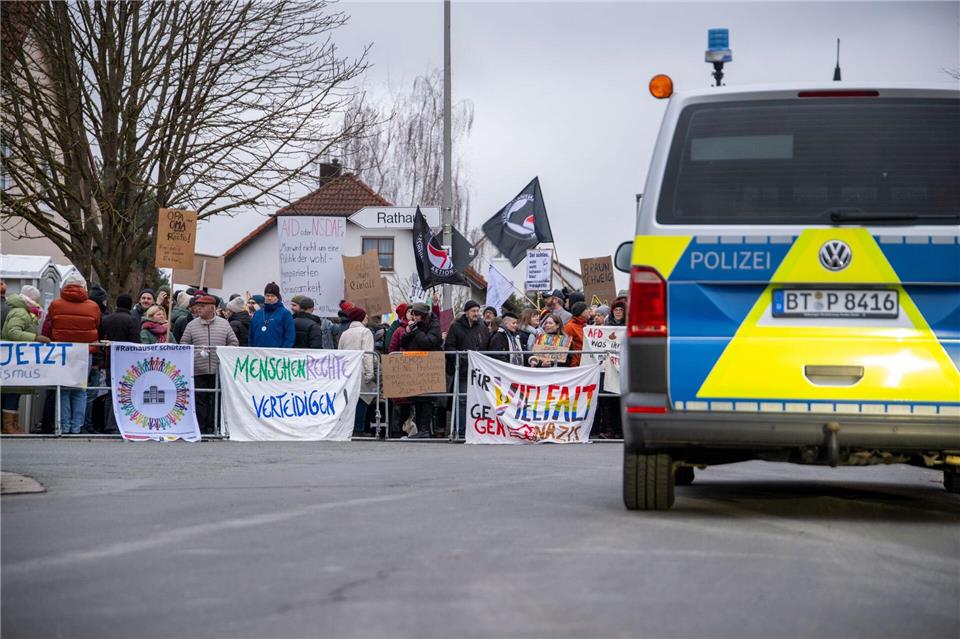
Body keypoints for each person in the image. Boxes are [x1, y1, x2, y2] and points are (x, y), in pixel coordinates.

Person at [43, 273, 101, 434]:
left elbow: (49, 325)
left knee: (63, 390)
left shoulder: (55, 305)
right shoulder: (93, 306)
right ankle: (77, 427)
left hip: (61, 352)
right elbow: (97, 325)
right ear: (84, 287)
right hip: (84, 352)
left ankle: (64, 426)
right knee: (80, 390)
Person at [179, 294, 239, 434]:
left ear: (212, 308)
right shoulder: (191, 325)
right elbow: (184, 344)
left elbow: (234, 343)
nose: (198, 308)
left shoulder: (224, 324)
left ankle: (215, 427)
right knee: (200, 399)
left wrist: (223, 354)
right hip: (198, 369)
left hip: (219, 370)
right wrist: (197, 352)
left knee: (217, 399)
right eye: (197, 306)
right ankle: (201, 428)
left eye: (202, 306)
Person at [1, 286, 48, 434]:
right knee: (12, 392)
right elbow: (13, 332)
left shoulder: (21, 311)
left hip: (15, 359)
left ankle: (11, 424)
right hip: (14, 360)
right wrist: (35, 338)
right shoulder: (21, 312)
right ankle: (9, 426)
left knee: (13, 391)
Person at [443, 300, 489, 438]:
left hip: (478, 371)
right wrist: (461, 358)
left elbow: (486, 345)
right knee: (462, 399)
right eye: (473, 311)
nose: (476, 314)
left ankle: (477, 430)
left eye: (478, 311)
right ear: (466, 312)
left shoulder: (482, 327)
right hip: (462, 370)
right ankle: (461, 431)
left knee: (479, 399)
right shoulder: (456, 327)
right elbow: (449, 346)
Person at [399, 302, 443, 438]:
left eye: (416, 315)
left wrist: (416, 331)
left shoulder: (434, 324)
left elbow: (428, 342)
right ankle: (421, 430)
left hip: (428, 366)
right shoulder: (415, 325)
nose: (414, 317)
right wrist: (407, 333)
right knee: (417, 397)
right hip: (415, 365)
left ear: (422, 315)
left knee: (426, 398)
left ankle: (425, 430)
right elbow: (403, 343)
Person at [337, 306, 376, 436]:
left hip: (347, 371)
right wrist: (370, 373)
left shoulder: (345, 334)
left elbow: (340, 353)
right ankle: (358, 428)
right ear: (361, 318)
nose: (367, 318)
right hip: (361, 370)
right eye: (365, 316)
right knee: (363, 398)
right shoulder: (365, 332)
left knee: (350, 399)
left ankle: (349, 427)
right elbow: (368, 354)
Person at [249, 282, 295, 348]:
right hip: (258, 353)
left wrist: (283, 352)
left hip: (277, 353)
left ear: (277, 297)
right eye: (267, 295)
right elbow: (251, 335)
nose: (269, 298)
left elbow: (289, 337)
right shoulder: (257, 314)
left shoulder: (285, 314)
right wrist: (251, 350)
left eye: (272, 296)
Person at [563, 301, 592, 367]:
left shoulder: (585, 325)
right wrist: (573, 364)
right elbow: (565, 347)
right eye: (587, 309)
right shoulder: (569, 327)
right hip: (576, 364)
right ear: (581, 312)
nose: (589, 311)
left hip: (586, 362)